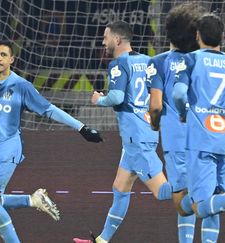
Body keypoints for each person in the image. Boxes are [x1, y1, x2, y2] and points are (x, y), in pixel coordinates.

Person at [0, 41, 103, 243]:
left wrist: (81, 127)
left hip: (8, 150)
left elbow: (49, 109)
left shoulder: (21, 86)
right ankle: (33, 200)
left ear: (11, 60)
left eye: (3, 55)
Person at [73, 20, 172, 243]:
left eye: (106, 36)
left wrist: (99, 99)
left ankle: (215, 193)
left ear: (117, 39)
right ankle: (102, 240)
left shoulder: (118, 64)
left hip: (136, 138)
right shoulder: (148, 61)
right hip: (142, 132)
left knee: (163, 192)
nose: (103, 41)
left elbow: (116, 97)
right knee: (120, 188)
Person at [173, 13, 225, 242]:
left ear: (197, 36)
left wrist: (183, 114)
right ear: (223, 36)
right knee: (214, 200)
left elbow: (179, 94)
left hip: (201, 139)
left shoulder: (190, 60)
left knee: (200, 206)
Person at [147, 3, 207, 242]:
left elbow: (156, 106)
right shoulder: (207, 61)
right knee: (199, 192)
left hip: (177, 141)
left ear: (169, 31)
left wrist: (154, 124)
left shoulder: (159, 62)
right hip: (208, 137)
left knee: (182, 202)